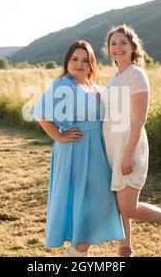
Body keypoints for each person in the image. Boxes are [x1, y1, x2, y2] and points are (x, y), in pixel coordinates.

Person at [31, 40, 124, 257]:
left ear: (91, 64)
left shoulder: (92, 87)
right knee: (88, 199)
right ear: (67, 61)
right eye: (75, 59)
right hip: (76, 149)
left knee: (96, 200)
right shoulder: (64, 85)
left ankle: (76, 252)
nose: (79, 64)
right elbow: (40, 114)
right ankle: (77, 253)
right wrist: (59, 136)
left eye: (85, 60)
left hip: (96, 149)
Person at [101, 24, 161, 257]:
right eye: (113, 44)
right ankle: (124, 249)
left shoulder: (136, 74)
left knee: (126, 206)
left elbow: (140, 119)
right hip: (113, 147)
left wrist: (128, 153)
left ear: (132, 47)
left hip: (130, 146)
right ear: (108, 49)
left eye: (122, 43)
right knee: (118, 204)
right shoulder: (115, 76)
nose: (117, 47)